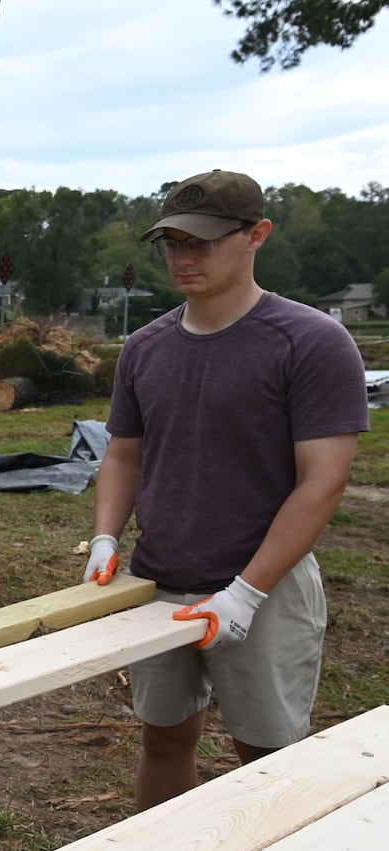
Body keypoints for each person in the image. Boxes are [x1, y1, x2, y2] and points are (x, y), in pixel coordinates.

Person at [82, 169, 369, 811]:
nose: (185, 258)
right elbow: (124, 454)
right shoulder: (146, 347)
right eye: (173, 243)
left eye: (204, 242)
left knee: (269, 761)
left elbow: (322, 483)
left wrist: (246, 592)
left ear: (256, 236)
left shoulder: (311, 343)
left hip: (263, 590)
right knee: (163, 742)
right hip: (159, 584)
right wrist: (106, 537)